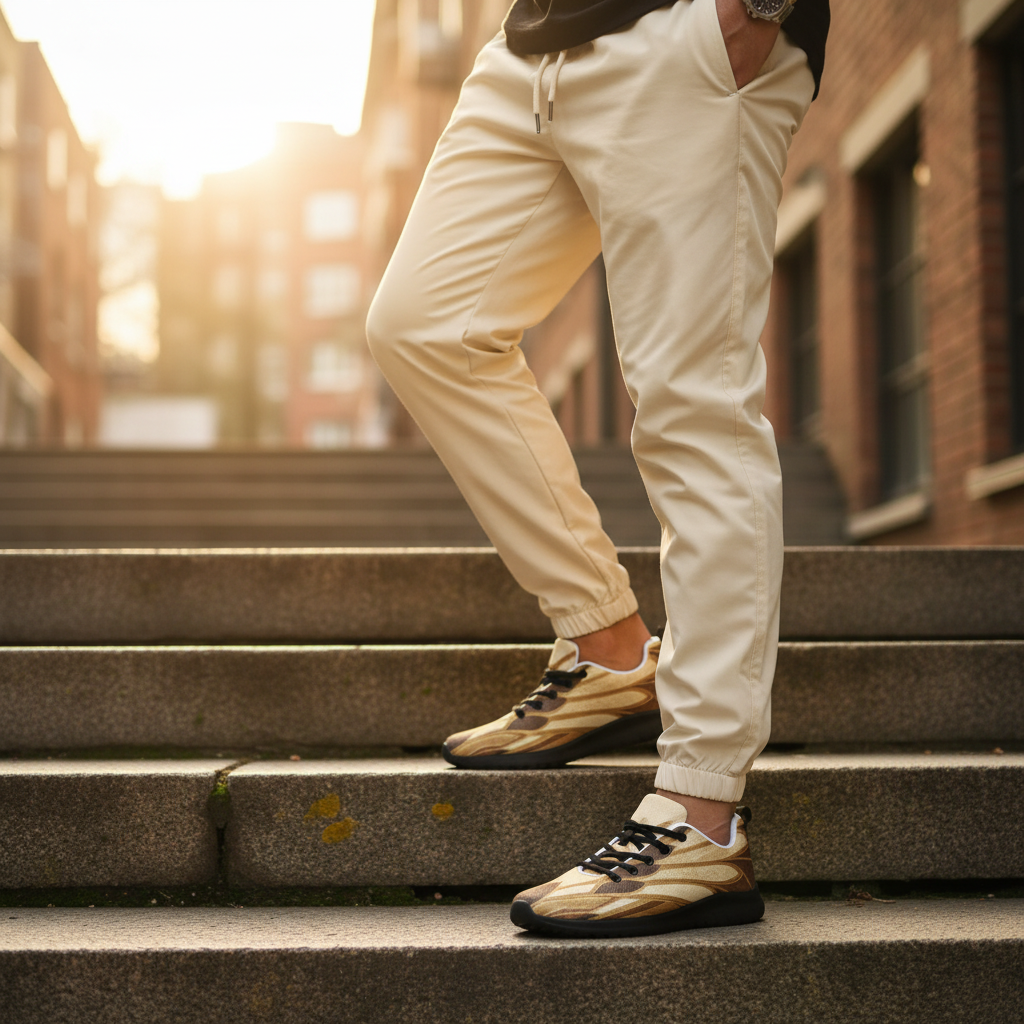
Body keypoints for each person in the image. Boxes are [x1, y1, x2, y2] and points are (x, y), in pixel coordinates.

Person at [366, 0, 830, 938]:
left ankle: (701, 815)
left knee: (691, 404)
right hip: (530, 46)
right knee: (425, 327)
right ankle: (612, 650)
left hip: (691, 36)